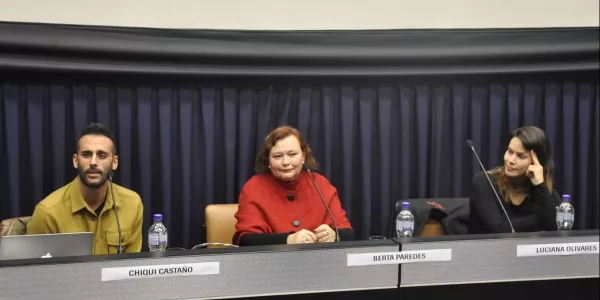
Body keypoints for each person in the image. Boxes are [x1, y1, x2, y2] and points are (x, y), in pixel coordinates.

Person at [27, 123, 144, 254]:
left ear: (114, 162)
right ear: (75, 161)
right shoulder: (47, 212)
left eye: (102, 155)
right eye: (87, 154)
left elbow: (131, 267)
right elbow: (35, 272)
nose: (93, 162)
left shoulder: (133, 204)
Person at [233, 126, 353, 246]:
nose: (286, 162)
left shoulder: (321, 184)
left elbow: (347, 233)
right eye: (277, 156)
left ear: (303, 156)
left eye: (292, 154)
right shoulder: (254, 187)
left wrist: (333, 234)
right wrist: (288, 239)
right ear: (268, 160)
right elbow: (246, 240)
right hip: (272, 262)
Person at [468, 126, 561, 234]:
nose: (510, 160)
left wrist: (539, 185)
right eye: (509, 151)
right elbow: (500, 230)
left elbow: (555, 227)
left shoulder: (543, 190)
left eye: (521, 156)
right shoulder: (483, 181)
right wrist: (543, 218)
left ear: (537, 162)